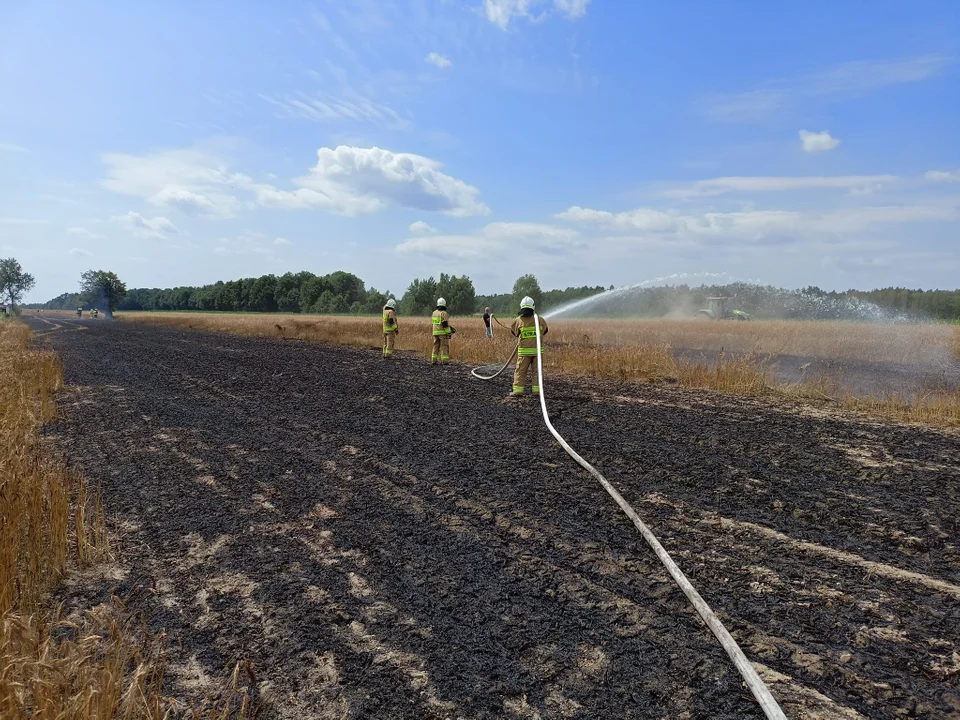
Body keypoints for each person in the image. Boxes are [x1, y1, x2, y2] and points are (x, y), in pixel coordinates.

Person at [510, 296, 548, 396]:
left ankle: (518, 390)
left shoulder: (518, 320)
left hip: (524, 353)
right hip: (537, 353)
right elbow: (545, 331)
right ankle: (537, 391)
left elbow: (514, 333)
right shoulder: (540, 320)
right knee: (537, 372)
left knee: (520, 371)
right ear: (533, 307)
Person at [431, 297, 454, 365]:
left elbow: (434, 323)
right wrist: (449, 332)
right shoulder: (444, 313)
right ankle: (444, 361)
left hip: (435, 332)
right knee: (444, 346)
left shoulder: (434, 313)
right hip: (442, 333)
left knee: (435, 346)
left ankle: (433, 360)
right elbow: (444, 324)